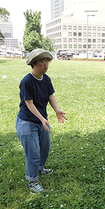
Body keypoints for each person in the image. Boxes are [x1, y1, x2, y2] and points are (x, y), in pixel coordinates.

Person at [16, 49, 67, 193]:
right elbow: (29, 103)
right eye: (42, 62)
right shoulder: (27, 81)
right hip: (27, 122)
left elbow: (50, 96)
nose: (46, 64)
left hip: (42, 121)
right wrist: (42, 118)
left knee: (45, 148)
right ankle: (32, 181)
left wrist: (57, 110)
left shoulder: (46, 79)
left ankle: (39, 168)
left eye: (47, 61)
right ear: (34, 64)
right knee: (33, 153)